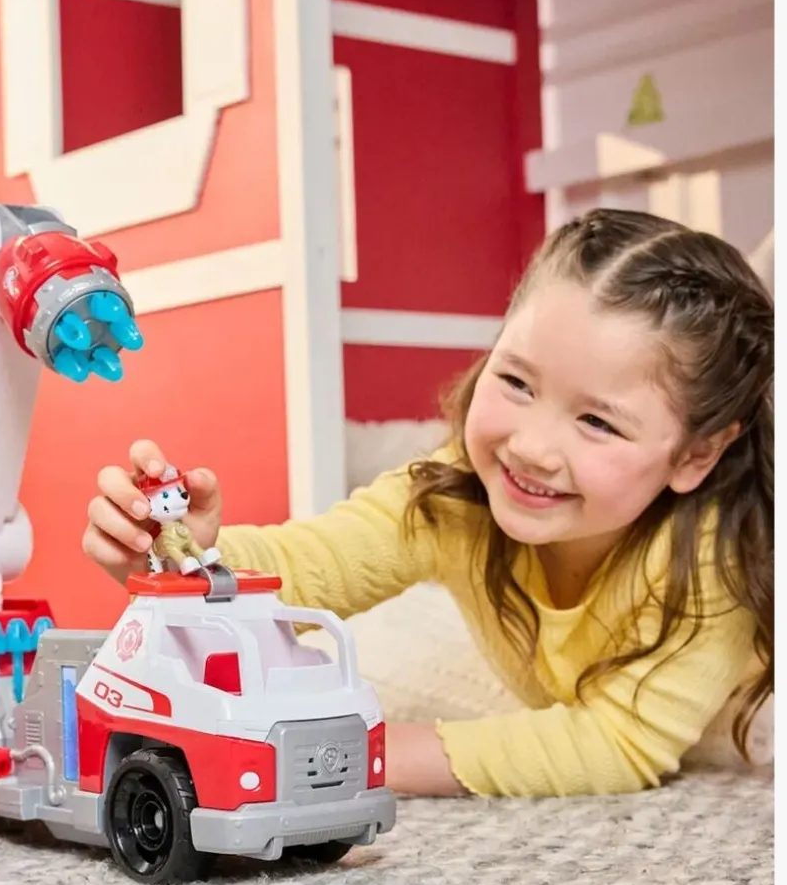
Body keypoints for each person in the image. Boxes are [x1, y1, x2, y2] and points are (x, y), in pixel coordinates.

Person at [82, 209, 773, 799]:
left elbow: (616, 743)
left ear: (695, 456)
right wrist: (186, 554)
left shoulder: (717, 565)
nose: (531, 447)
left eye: (596, 422)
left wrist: (360, 751)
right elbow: (318, 562)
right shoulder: (457, 491)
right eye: (517, 382)